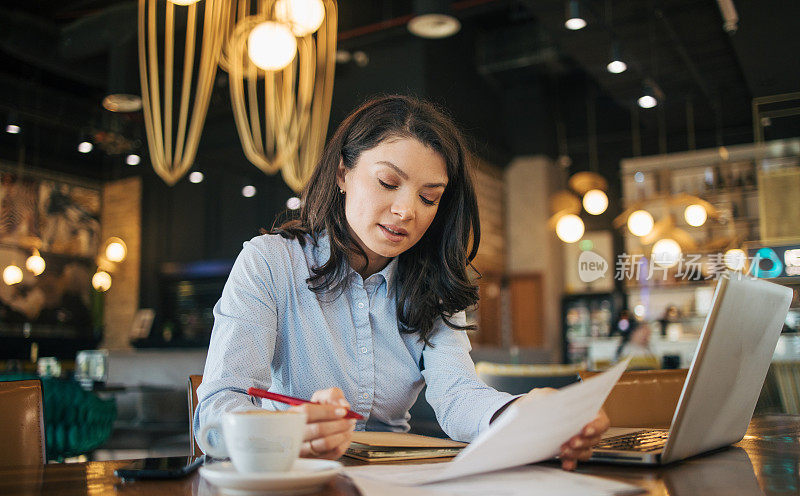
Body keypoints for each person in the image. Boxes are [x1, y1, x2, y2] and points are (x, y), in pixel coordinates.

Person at [194, 95, 608, 470]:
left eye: (429, 198)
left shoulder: (435, 281)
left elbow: (457, 395)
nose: (406, 210)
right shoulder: (270, 262)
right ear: (343, 173)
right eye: (388, 183)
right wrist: (285, 432)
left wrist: (524, 413)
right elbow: (216, 408)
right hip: (289, 481)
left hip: (396, 481)